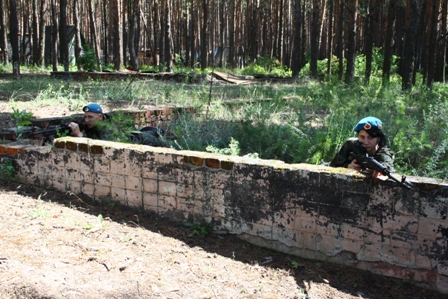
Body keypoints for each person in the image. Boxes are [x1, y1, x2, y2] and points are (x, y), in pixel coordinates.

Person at [68, 103, 166, 147]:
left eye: (90, 117)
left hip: (140, 141)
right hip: (131, 136)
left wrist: (79, 136)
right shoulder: (92, 125)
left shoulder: (107, 129)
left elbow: (100, 148)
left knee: (165, 144)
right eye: (85, 117)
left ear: (100, 116)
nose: (87, 120)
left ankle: (158, 132)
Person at [329, 116, 395, 176]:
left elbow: (388, 167)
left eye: (370, 138)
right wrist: (348, 166)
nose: (366, 142)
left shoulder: (383, 152)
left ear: (378, 139)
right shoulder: (350, 145)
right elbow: (333, 166)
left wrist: (378, 172)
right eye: (362, 137)